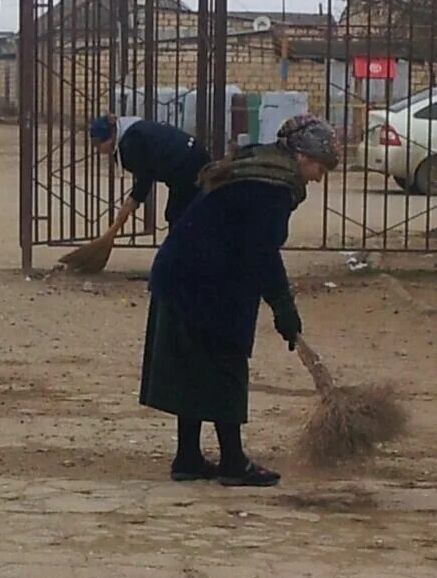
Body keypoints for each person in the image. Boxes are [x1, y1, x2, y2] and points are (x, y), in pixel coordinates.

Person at [140, 115, 339, 487]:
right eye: (318, 166)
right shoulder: (273, 187)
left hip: (185, 271)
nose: (318, 176)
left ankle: (188, 458)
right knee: (225, 365)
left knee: (192, 367)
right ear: (300, 155)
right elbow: (261, 253)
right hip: (205, 280)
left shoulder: (256, 168)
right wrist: (284, 308)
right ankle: (232, 462)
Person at [89, 114, 211, 230]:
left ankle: (184, 250)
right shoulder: (130, 135)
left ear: (111, 135)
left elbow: (146, 175)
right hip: (188, 163)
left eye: (98, 143)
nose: (98, 149)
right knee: (181, 213)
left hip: (190, 164)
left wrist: (133, 200)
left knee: (179, 214)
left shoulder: (132, 140)